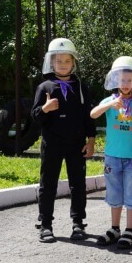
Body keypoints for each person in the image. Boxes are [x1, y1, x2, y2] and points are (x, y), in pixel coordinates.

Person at [31, 38, 96, 243]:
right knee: (48, 183)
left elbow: (89, 116)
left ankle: (78, 223)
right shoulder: (45, 87)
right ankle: (46, 224)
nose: (62, 65)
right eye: (58, 61)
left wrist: (91, 140)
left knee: (78, 184)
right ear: (51, 62)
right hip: (52, 144)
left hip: (76, 143)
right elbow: (34, 116)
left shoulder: (81, 88)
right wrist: (45, 109)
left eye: (66, 61)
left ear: (73, 62)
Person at [90, 56, 132, 249]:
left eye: (130, 80)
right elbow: (93, 114)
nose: (126, 84)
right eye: (122, 80)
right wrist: (109, 105)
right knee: (114, 193)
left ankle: (130, 230)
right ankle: (115, 228)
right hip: (112, 157)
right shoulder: (109, 102)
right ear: (115, 81)